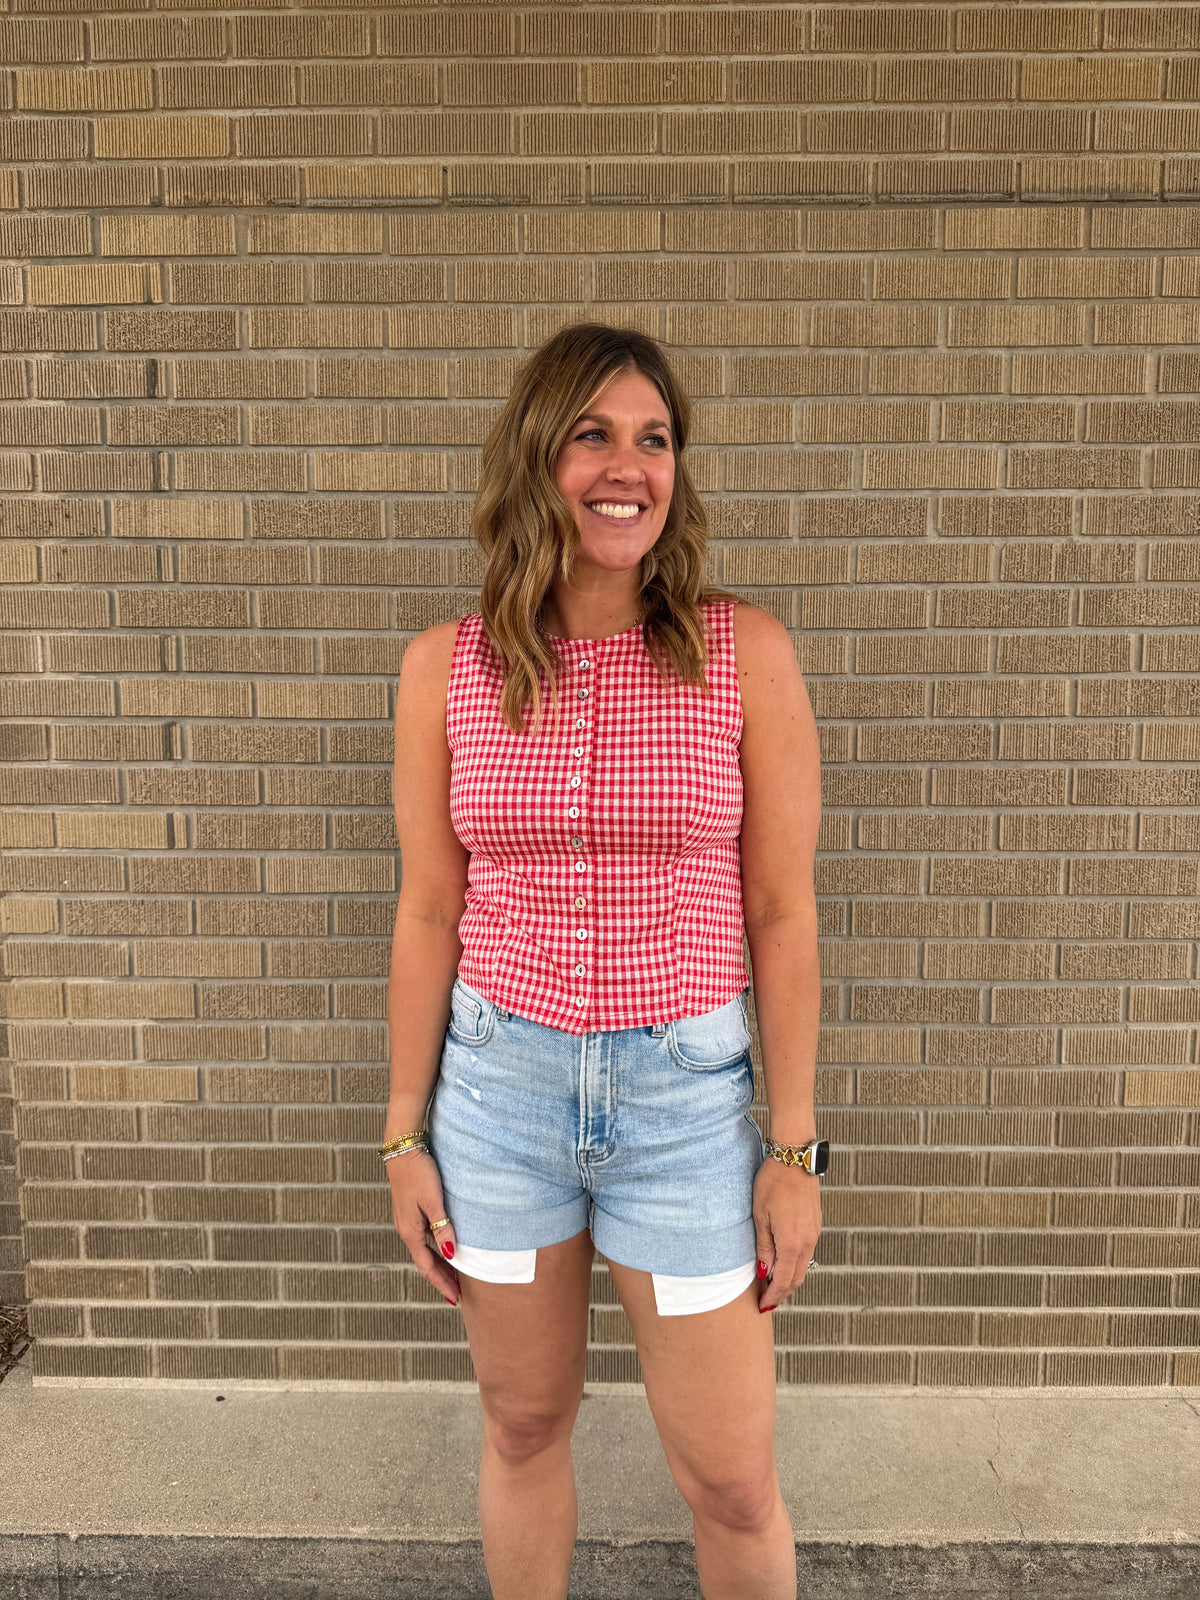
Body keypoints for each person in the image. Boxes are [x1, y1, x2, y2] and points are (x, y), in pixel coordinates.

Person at [385, 322, 823, 1600]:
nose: (628, 465)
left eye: (654, 438)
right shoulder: (445, 670)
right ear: (538, 455)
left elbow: (783, 916)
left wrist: (792, 1154)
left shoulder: (744, 655)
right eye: (594, 433)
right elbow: (428, 911)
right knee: (523, 1428)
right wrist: (403, 1133)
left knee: (733, 1481)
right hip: (499, 1103)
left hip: (684, 1111)